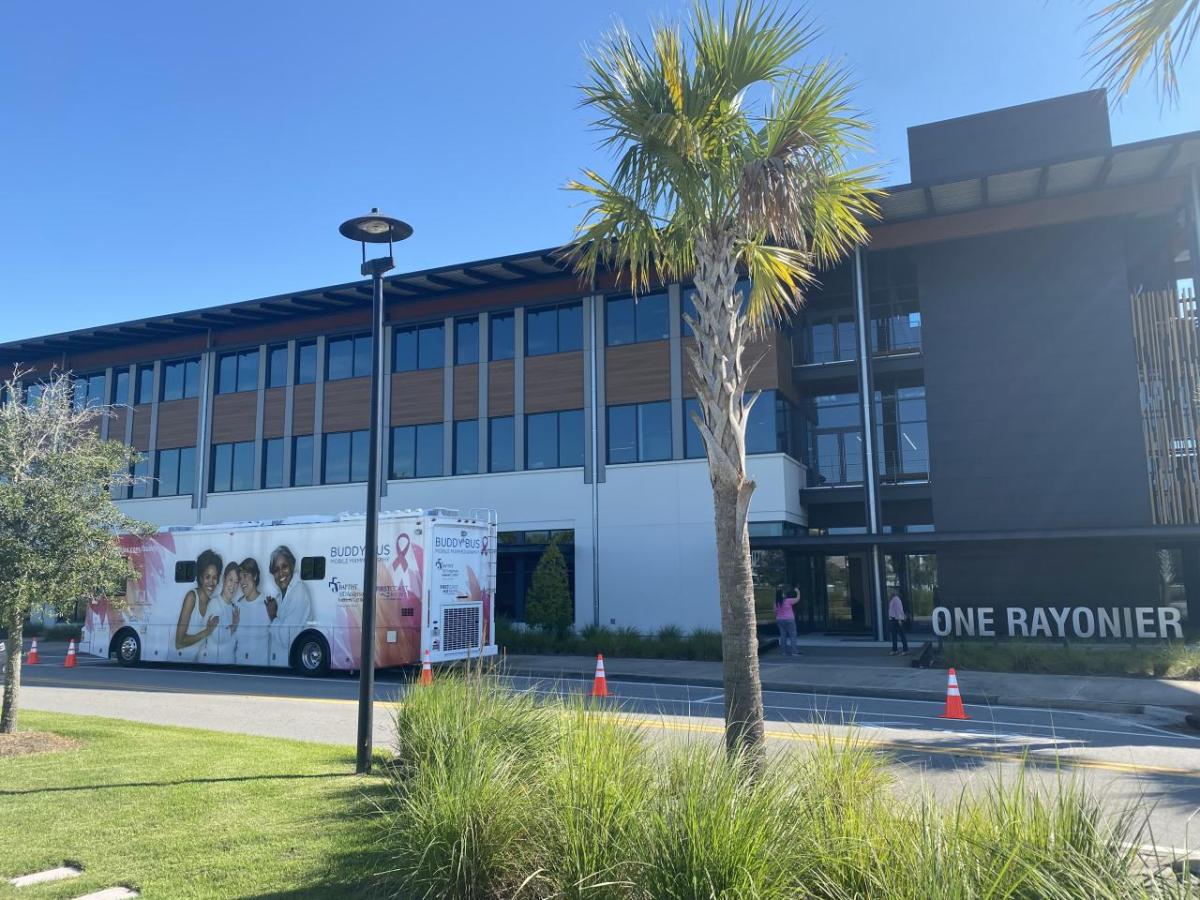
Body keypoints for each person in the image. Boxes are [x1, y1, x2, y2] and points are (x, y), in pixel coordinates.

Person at [266, 545, 312, 667]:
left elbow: (286, 638)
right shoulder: (280, 595)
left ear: (292, 566)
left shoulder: (299, 592)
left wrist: (272, 616)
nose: (280, 573)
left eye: (284, 567)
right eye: (276, 570)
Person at [175, 549, 221, 662]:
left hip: (194, 663)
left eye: (215, 578)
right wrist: (207, 632)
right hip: (178, 660)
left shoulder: (212, 603)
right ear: (200, 578)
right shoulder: (192, 597)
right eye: (207, 577)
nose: (211, 582)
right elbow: (179, 642)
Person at [236, 558, 271, 666]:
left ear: (255, 576)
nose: (242, 582)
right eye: (240, 578)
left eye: (246, 575)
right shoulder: (238, 605)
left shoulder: (268, 603)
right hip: (240, 666)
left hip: (262, 666)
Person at [210, 562, 242, 664]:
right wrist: (234, 625)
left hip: (230, 667)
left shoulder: (235, 608)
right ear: (224, 579)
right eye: (230, 580)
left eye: (236, 582)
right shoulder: (214, 603)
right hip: (214, 667)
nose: (233, 585)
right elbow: (217, 636)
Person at [775, 585, 800, 657]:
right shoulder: (788, 601)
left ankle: (783, 652)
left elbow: (775, 611)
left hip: (780, 620)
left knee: (783, 636)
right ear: (782, 594)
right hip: (789, 620)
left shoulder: (776, 603)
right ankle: (794, 652)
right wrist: (798, 592)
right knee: (793, 636)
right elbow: (797, 599)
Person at [888, 589, 909, 656]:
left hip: (897, 619)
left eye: (891, 591)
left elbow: (898, 610)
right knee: (894, 635)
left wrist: (899, 619)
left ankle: (906, 650)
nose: (890, 592)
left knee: (902, 635)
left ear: (894, 592)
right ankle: (895, 650)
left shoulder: (896, 599)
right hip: (893, 619)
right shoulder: (892, 599)